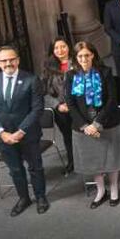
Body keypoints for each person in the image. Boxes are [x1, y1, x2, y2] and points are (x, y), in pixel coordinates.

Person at [0, 46, 49, 216]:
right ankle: (24, 198)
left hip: (28, 135)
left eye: (11, 59)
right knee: (15, 170)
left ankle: (41, 197)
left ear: (18, 60)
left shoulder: (31, 79)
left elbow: (37, 109)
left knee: (35, 168)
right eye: (4, 60)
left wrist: (21, 131)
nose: (8, 63)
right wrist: (1, 132)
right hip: (4, 138)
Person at [64, 41, 120, 208]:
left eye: (87, 55)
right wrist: (85, 126)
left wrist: (97, 124)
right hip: (83, 127)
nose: (84, 59)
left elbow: (112, 100)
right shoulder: (71, 76)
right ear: (76, 58)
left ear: (93, 55)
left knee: (111, 158)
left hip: (107, 123)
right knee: (93, 160)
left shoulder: (105, 72)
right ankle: (101, 191)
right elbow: (70, 103)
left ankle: (114, 188)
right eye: (80, 56)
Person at [39, 38, 75, 173]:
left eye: (63, 46)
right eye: (56, 48)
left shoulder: (77, 61)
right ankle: (72, 161)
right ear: (52, 51)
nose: (60, 50)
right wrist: (58, 105)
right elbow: (44, 92)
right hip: (61, 109)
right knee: (68, 135)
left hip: (79, 106)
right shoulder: (48, 67)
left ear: (68, 47)